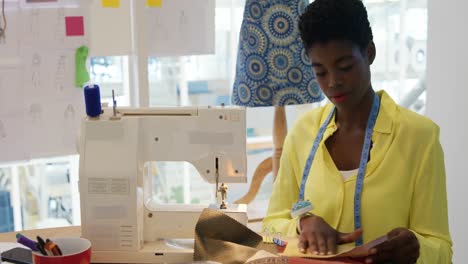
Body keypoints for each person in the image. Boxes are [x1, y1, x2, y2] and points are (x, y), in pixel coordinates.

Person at [263, 0, 453, 263]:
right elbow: (269, 229)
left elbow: (441, 247)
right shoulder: (302, 133)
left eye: (345, 67)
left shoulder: (419, 137)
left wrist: (418, 248)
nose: (333, 82)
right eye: (320, 71)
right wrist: (301, 225)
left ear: (369, 52)